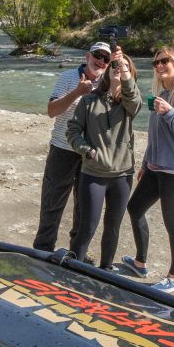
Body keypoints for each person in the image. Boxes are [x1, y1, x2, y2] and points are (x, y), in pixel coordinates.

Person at [121, 47, 174, 293]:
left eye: (165, 61)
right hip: (157, 168)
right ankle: (140, 263)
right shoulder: (163, 94)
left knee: (173, 224)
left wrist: (170, 113)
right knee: (134, 208)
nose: (159, 65)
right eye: (156, 62)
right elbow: (156, 136)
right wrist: (146, 163)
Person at [32, 41, 112, 253]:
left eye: (106, 58)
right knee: (52, 203)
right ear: (88, 56)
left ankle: (76, 254)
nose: (101, 61)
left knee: (84, 208)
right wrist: (77, 92)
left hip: (91, 154)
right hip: (62, 150)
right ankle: (42, 249)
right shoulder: (68, 77)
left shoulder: (110, 83)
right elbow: (51, 111)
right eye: (98, 55)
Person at [66, 48, 141, 266]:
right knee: (87, 227)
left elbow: (134, 100)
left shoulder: (130, 104)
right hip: (93, 174)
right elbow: (72, 131)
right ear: (106, 71)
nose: (118, 69)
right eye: (115, 66)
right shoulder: (89, 101)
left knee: (113, 227)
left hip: (122, 175)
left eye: (124, 67)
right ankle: (74, 269)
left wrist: (124, 71)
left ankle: (106, 270)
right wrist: (87, 150)